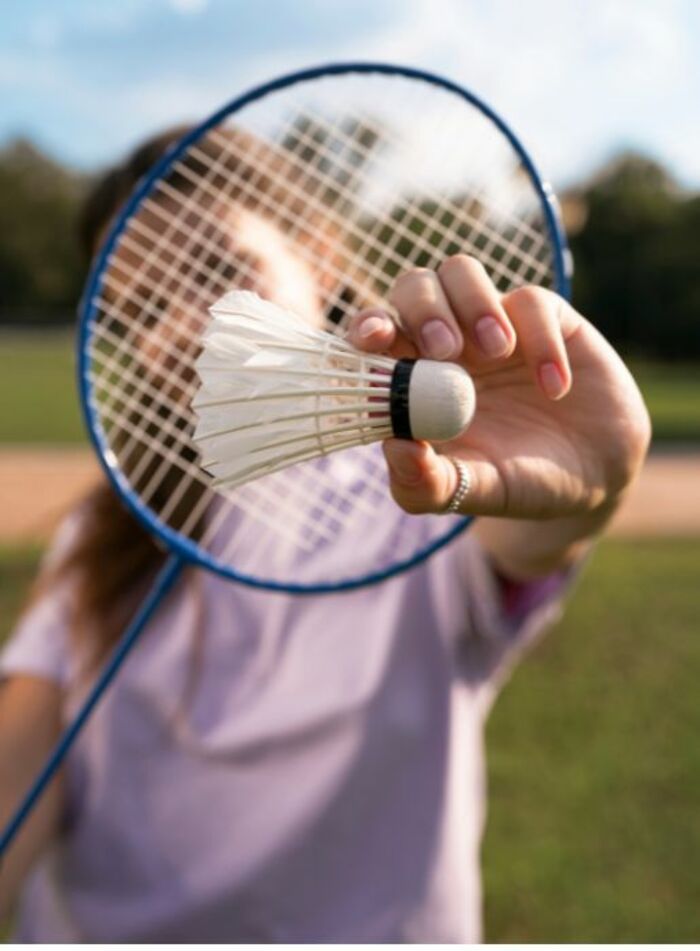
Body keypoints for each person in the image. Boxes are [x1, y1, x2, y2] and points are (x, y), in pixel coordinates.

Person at [0, 127, 651, 943]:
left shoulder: (431, 486)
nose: (180, 326)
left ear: (322, 253)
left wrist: (587, 478)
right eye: (139, 310)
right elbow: (24, 757)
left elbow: (535, 535)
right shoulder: (110, 521)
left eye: (215, 271)